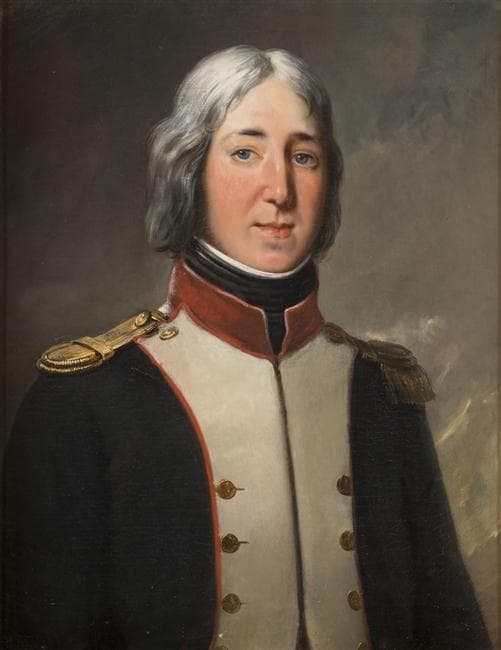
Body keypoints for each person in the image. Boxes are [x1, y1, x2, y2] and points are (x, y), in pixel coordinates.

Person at [3, 46, 491, 650]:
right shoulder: (82, 401)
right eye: (244, 153)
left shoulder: (383, 393)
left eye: (303, 157)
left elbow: (449, 628)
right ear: (189, 172)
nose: (280, 190)